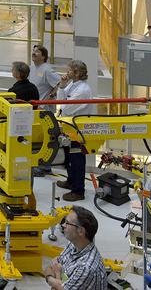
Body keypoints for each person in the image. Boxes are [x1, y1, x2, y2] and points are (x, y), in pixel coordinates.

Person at [45, 206, 108, 290]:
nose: (63, 225)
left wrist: (53, 276)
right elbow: (51, 266)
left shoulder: (86, 268)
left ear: (80, 231)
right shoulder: (72, 244)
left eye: (67, 223)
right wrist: (57, 279)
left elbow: (54, 270)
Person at [58, 59, 95, 201]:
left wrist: (62, 104)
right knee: (69, 156)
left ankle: (78, 190)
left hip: (78, 129)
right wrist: (62, 86)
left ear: (77, 73)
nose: (67, 72)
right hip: (69, 126)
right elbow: (60, 100)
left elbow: (66, 107)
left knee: (77, 158)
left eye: (70, 70)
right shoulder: (73, 84)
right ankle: (71, 181)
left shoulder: (83, 90)